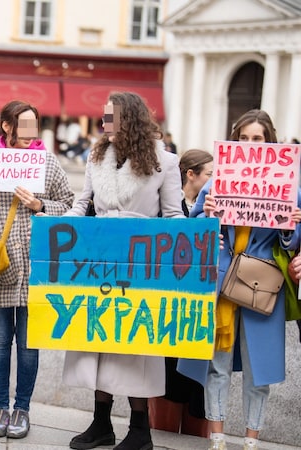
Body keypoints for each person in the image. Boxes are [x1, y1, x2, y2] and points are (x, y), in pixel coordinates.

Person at [62, 91, 183, 450]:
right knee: (97, 338)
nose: (102, 124)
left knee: (135, 344)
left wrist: (200, 239)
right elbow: (82, 204)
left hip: (140, 263)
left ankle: (140, 429)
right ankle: (101, 424)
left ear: (127, 119)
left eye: (109, 117)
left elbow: (175, 216)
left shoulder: (166, 162)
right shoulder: (97, 156)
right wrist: (50, 229)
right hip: (97, 261)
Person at [178, 110, 301, 450]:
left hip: (263, 284)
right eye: (243, 138)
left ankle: (251, 440)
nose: (250, 144)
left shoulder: (290, 189)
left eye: (257, 138)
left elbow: (291, 242)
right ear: (234, 141)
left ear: (269, 142)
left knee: (257, 369)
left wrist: (290, 226)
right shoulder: (215, 186)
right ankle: (217, 436)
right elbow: (193, 229)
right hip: (220, 283)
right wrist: (208, 217)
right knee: (215, 366)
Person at [0, 100, 74, 439]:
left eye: (34, 126)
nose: (29, 133)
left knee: (28, 346)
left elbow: (68, 203)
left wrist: (39, 205)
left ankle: (22, 409)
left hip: (35, 270)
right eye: (23, 125)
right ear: (7, 126)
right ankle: (0, 407)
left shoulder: (49, 164)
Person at [147, 149, 213, 437]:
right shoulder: (168, 206)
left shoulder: (215, 208)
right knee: (169, 375)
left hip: (200, 309)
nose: (214, 181)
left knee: (198, 383)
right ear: (191, 174)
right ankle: (162, 430)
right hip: (168, 308)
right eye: (209, 174)